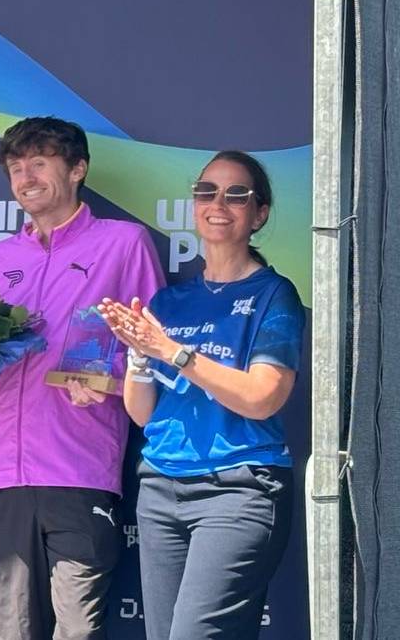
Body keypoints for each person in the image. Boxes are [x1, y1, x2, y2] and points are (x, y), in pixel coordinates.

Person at [0, 116, 165, 640]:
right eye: (15, 167)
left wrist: (111, 381)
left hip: (79, 468)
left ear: (77, 169)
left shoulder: (124, 244)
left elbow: (156, 349)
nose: (25, 177)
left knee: (76, 631)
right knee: (12, 632)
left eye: (39, 163)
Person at [101, 151, 300, 640]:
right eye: (206, 192)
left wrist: (173, 352)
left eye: (237, 195)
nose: (218, 204)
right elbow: (144, 413)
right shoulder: (169, 301)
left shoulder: (276, 294)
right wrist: (139, 354)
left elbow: (262, 398)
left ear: (260, 213)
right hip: (162, 489)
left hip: (239, 488)